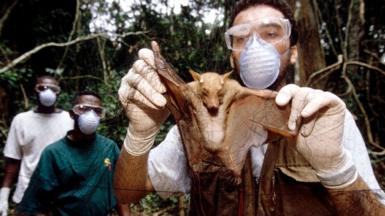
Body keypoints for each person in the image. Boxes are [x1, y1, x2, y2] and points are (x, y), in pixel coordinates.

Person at [114, 0, 385, 215]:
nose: (256, 46)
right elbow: (127, 193)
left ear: (292, 51)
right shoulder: (198, 122)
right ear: (233, 56)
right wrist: (140, 133)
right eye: (241, 37)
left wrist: (337, 170)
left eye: (270, 33)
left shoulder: (324, 118)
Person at [16, 91, 130, 215]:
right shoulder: (54, 153)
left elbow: (121, 191)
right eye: (83, 109)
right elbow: (38, 201)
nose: (90, 115)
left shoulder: (109, 148)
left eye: (96, 111)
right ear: (72, 114)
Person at [0, 75, 73, 216]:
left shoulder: (69, 120)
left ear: (58, 93)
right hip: (26, 192)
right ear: (35, 91)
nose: (48, 92)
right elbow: (13, 160)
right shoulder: (21, 120)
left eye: (53, 89)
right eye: (42, 88)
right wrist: (4, 193)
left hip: (61, 194)